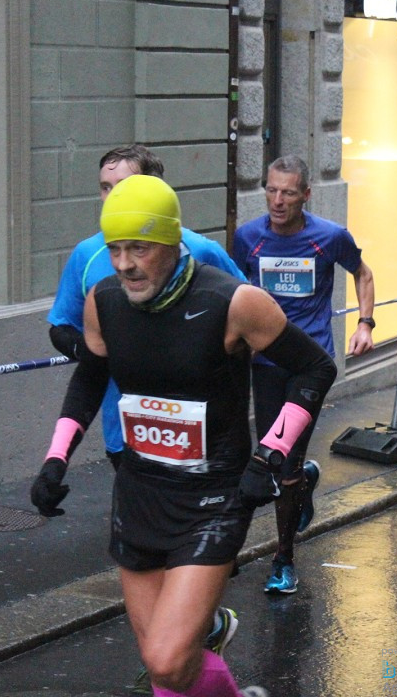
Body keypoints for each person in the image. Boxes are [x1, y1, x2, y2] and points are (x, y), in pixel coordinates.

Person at [31, 175, 336, 697]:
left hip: (213, 498)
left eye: (139, 248)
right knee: (165, 672)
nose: (124, 263)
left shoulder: (233, 302)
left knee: (167, 659)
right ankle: (220, 654)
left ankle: (208, 631)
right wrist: (55, 460)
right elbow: (89, 377)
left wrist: (271, 454)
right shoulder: (102, 301)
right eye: (115, 249)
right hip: (140, 492)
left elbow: (314, 370)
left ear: (173, 243)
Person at [45, 145, 246, 694]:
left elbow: (248, 324)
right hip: (128, 439)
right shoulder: (93, 257)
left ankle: (190, 633)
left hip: (209, 468)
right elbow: (67, 331)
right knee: (161, 646)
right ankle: (194, 640)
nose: (112, 200)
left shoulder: (202, 252)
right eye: (104, 189)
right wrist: (107, 348)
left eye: (123, 187)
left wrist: (270, 450)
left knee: (165, 652)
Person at [232, 154, 375, 595]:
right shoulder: (247, 238)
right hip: (265, 363)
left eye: (288, 192)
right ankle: (302, 482)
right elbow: (234, 290)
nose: (277, 200)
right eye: (271, 191)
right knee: (266, 458)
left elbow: (362, 274)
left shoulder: (329, 238)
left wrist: (365, 323)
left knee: (283, 461)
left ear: (305, 195)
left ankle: (284, 559)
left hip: (309, 367)